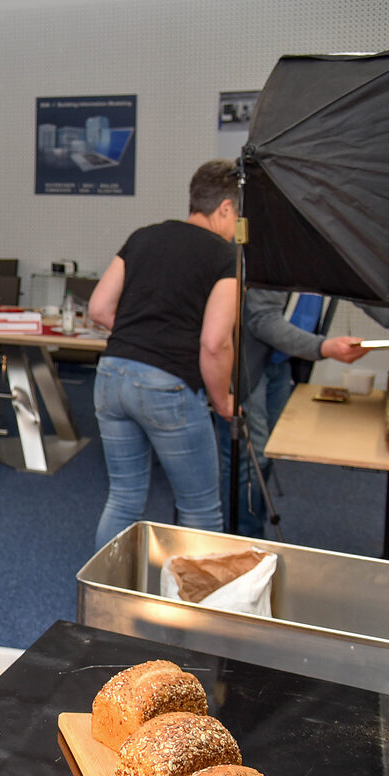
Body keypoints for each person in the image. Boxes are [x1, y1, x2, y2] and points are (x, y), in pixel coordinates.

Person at [88, 159, 240, 549]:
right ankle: (199, 608)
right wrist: (224, 402)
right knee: (201, 510)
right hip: (167, 386)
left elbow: (100, 309)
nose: (238, 228)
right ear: (224, 208)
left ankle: (105, 601)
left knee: (123, 500)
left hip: (111, 376)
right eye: (237, 216)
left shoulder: (143, 237)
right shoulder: (224, 256)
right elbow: (215, 343)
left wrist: (144, 334)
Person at [219, 289, 389, 535]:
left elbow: (366, 291)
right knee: (249, 460)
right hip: (245, 362)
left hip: (279, 361)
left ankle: (251, 533)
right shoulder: (280, 252)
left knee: (263, 456)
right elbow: (262, 320)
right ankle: (243, 540)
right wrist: (323, 347)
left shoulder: (332, 253)